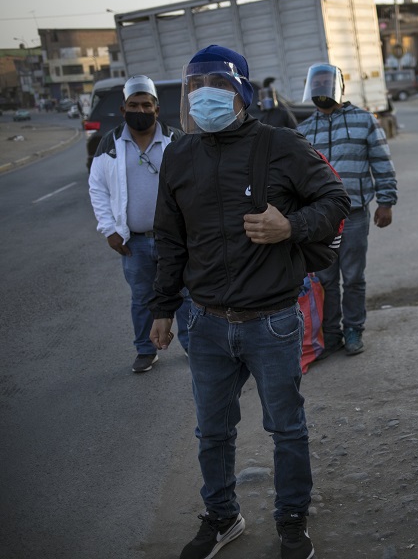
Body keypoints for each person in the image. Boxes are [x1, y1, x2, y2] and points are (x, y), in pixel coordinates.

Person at [148, 45, 349, 558]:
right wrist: (163, 308)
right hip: (207, 323)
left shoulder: (280, 144)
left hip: (273, 320)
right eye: (194, 90)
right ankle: (222, 517)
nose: (203, 99)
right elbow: (170, 239)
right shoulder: (179, 153)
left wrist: (291, 225)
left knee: (286, 428)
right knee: (212, 432)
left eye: (215, 87)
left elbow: (335, 200)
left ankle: (291, 522)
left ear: (241, 93)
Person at [88, 75, 191, 373]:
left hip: (176, 239)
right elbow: (97, 187)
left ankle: (191, 345)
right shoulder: (110, 143)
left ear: (157, 109)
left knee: (184, 293)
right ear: (123, 109)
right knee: (143, 298)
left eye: (146, 105)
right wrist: (109, 230)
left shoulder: (176, 140)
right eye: (133, 105)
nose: (140, 110)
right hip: (135, 240)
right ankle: (146, 350)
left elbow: (194, 185)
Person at [297, 63, 397, 358]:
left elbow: (381, 161)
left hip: (353, 215)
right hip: (319, 219)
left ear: (338, 86)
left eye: (325, 83)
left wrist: (386, 201)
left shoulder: (363, 120)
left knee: (353, 276)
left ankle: (354, 329)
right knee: (325, 279)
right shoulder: (304, 130)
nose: (319, 90)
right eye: (315, 85)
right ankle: (331, 334)